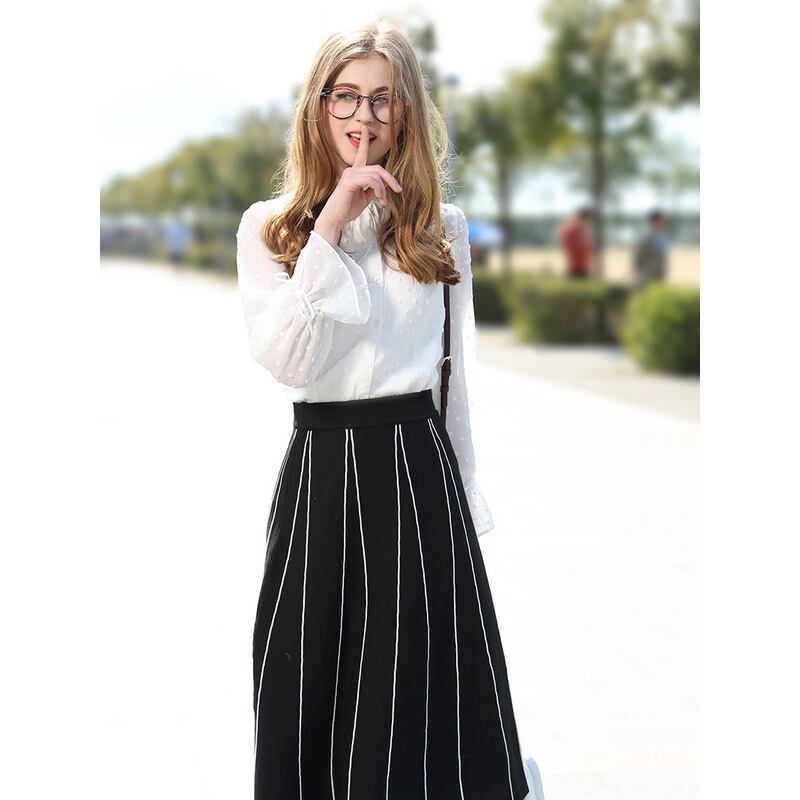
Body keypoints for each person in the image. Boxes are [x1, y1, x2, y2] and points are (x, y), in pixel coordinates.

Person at [234, 21, 544, 800]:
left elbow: (451, 378)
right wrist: (331, 224)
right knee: (310, 680)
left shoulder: (442, 229)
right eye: (346, 96)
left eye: (382, 98)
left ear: (406, 110)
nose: (362, 117)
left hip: (417, 474)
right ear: (319, 105)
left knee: (416, 700)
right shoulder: (269, 227)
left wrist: (461, 496)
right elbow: (289, 361)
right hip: (323, 474)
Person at [633, 209, 670, 288]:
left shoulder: (661, 237)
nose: (663, 223)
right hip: (647, 277)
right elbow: (639, 257)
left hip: (659, 276)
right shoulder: (646, 238)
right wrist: (638, 274)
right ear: (654, 222)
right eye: (661, 221)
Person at [557, 206, 593, 278]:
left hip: (581, 263)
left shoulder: (579, 226)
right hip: (576, 265)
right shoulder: (573, 227)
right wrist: (586, 246)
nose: (587, 222)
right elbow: (569, 243)